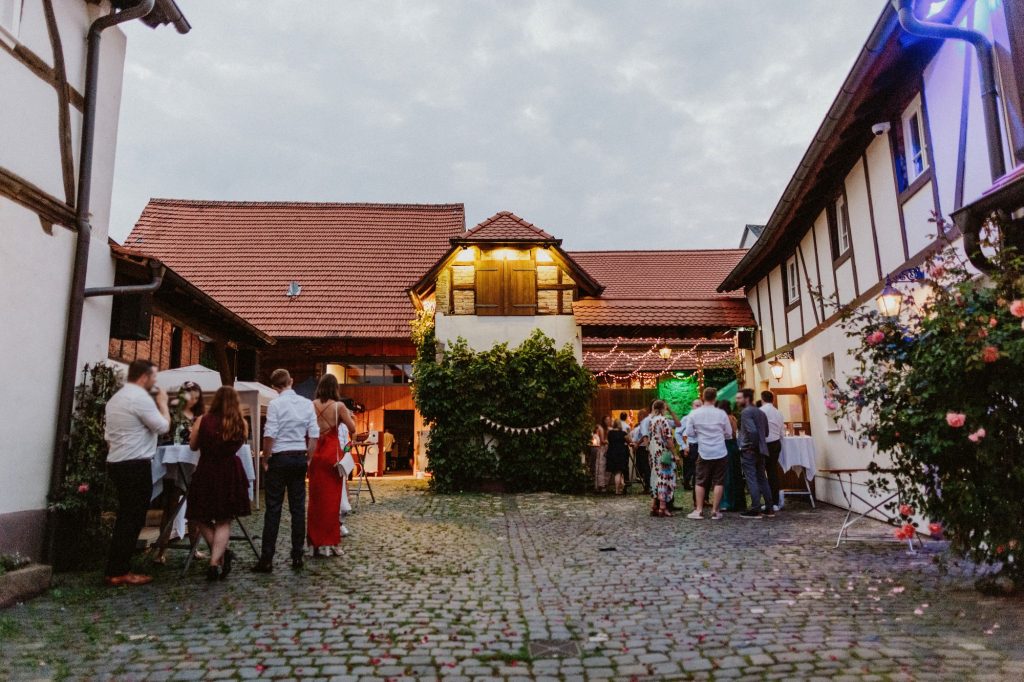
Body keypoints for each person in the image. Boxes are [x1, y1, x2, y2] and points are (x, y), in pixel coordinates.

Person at [103, 359, 170, 586]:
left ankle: (116, 568)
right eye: (154, 377)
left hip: (117, 462)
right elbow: (163, 426)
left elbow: (108, 437)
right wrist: (163, 404)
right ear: (144, 377)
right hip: (135, 464)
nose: (155, 381)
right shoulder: (140, 398)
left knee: (126, 516)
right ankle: (119, 571)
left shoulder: (115, 399)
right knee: (132, 518)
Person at [255, 369, 319, 572]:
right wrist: (308, 458)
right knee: (298, 508)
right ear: (291, 381)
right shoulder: (307, 404)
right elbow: (314, 435)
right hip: (299, 455)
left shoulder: (275, 404)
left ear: (274, 387)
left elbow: (270, 434)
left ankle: (267, 558)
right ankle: (297, 554)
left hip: (280, 457)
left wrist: (266, 458)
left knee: (273, 508)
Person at [187, 386, 251, 580]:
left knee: (199, 516)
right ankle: (215, 561)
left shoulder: (202, 420)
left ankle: (217, 559)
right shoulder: (241, 423)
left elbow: (193, 446)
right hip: (230, 472)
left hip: (207, 470)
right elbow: (240, 444)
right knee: (224, 519)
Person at [308, 374, 356, 557]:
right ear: (335, 388)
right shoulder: (339, 407)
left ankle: (314, 543)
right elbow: (352, 429)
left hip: (315, 456)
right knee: (332, 502)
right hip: (332, 457)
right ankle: (333, 543)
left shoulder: (311, 405)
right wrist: (349, 417)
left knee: (315, 502)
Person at [684, 388, 732, 520]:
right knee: (718, 481)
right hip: (720, 451)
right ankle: (715, 511)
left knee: (700, 481)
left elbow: (689, 432)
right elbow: (729, 433)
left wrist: (700, 434)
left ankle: (699, 510)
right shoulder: (721, 413)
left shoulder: (694, 414)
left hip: (704, 451)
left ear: (703, 397)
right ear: (715, 398)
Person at [737, 388, 773, 519]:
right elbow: (766, 432)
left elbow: (752, 431)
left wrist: (751, 446)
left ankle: (755, 508)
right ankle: (769, 508)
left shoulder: (746, 412)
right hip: (761, 450)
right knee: (762, 478)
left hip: (750, 450)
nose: (737, 400)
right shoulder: (761, 412)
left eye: (739, 398)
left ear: (746, 398)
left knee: (751, 479)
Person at [647, 400, 678, 517]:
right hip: (663, 453)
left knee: (656, 477)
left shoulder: (651, 421)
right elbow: (668, 439)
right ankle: (662, 507)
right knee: (664, 479)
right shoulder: (663, 420)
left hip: (654, 453)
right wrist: (675, 454)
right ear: (663, 408)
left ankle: (654, 506)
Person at [717, 400, 746, 512]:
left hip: (726, 445)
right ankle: (738, 501)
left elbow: (727, 434)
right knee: (736, 473)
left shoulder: (725, 418)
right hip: (734, 445)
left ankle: (728, 502)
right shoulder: (733, 417)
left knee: (728, 474)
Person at [760, 390, 786, 512]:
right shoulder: (778, 412)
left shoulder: (761, 411)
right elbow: (782, 431)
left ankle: (767, 501)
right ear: (773, 399)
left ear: (762, 399)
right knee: (773, 473)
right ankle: (775, 502)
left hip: (764, 444)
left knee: (761, 473)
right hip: (776, 443)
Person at [679, 399, 702, 491]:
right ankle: (688, 483)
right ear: (692, 406)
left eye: (700, 405)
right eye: (697, 405)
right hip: (692, 446)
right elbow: (679, 433)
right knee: (691, 467)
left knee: (697, 468)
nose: (699, 407)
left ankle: (695, 485)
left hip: (702, 446)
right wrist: (684, 446)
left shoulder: (704, 418)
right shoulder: (686, 418)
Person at [628, 410, 651, 494]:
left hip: (642, 447)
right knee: (642, 467)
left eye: (638, 415)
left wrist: (637, 444)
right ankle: (646, 485)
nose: (637, 416)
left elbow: (644, 435)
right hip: (639, 447)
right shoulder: (641, 425)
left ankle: (647, 487)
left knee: (645, 467)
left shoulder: (644, 424)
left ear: (642, 415)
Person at [605, 419, 630, 494]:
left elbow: (607, 441)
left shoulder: (610, 433)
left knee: (615, 471)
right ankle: (617, 490)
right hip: (620, 453)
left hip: (611, 452)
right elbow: (629, 441)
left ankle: (621, 486)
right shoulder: (623, 433)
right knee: (618, 472)